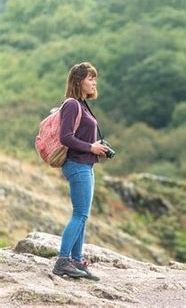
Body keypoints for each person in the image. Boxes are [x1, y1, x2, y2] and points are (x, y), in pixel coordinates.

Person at [52, 62, 108, 280]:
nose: (94, 82)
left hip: (85, 164)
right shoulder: (72, 105)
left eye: (95, 78)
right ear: (78, 81)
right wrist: (90, 147)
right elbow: (65, 137)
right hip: (77, 165)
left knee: (83, 216)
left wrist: (95, 146)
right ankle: (62, 261)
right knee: (80, 214)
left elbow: (78, 134)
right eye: (90, 78)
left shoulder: (82, 104)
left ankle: (76, 261)